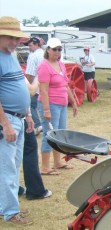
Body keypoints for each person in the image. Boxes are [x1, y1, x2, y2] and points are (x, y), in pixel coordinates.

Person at [0, 16, 34, 225]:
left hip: (19, 118)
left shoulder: (11, 56)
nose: (15, 42)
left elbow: (20, 86)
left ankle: (6, 206)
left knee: (14, 165)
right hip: (9, 120)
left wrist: (28, 114)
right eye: (11, 37)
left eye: (17, 38)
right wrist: (5, 123)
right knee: (8, 168)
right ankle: (11, 213)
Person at [38, 37, 78, 175]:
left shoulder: (60, 64)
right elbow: (43, 90)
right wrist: (46, 109)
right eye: (54, 49)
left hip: (61, 103)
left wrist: (73, 101)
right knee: (49, 134)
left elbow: (65, 84)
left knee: (60, 134)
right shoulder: (44, 65)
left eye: (59, 49)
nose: (57, 52)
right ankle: (45, 166)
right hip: (51, 104)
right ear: (47, 49)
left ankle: (57, 161)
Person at [23, 37, 52, 200]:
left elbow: (29, 85)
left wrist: (27, 115)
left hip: (21, 114)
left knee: (27, 151)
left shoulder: (33, 57)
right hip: (12, 116)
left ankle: (32, 189)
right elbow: (30, 87)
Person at [24, 36, 43, 135]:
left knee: (30, 104)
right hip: (44, 86)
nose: (29, 47)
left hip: (35, 86)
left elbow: (30, 74)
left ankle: (37, 125)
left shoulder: (33, 56)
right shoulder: (44, 54)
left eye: (30, 45)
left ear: (36, 44)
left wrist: (27, 85)